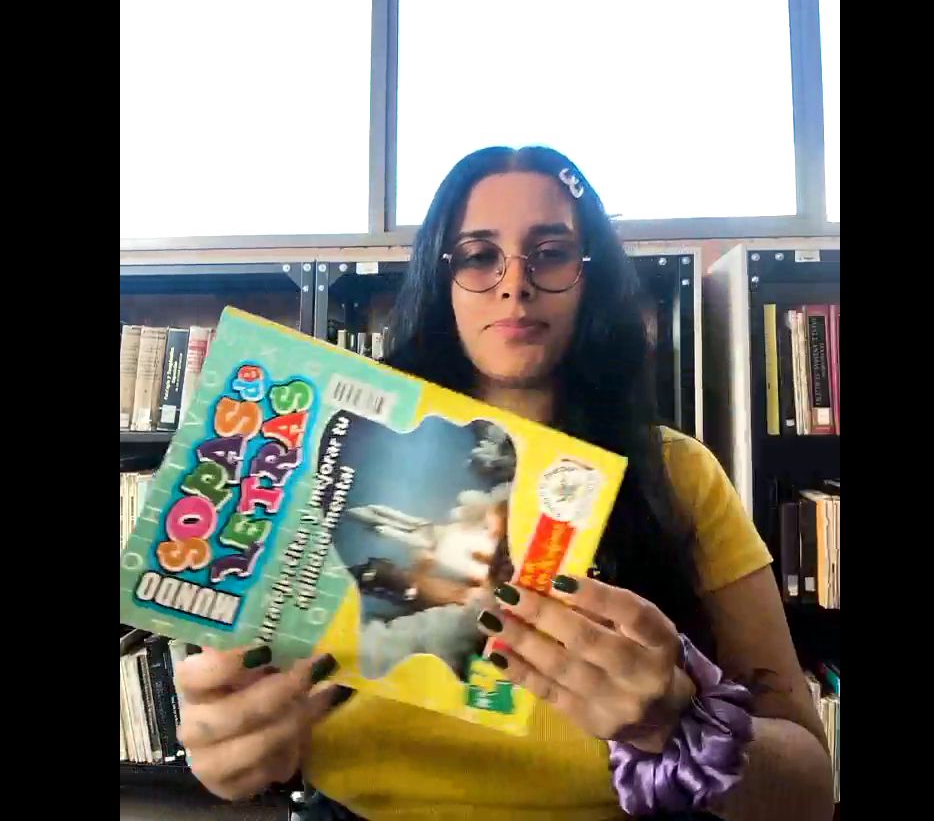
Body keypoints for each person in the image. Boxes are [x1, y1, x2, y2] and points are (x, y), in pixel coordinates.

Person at [174, 146, 834, 820]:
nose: (514, 284)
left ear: (591, 276)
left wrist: (676, 723)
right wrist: (227, 745)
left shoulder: (677, 473)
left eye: (550, 253)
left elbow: (809, 792)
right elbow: (235, 722)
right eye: (478, 255)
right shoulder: (318, 463)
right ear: (443, 280)